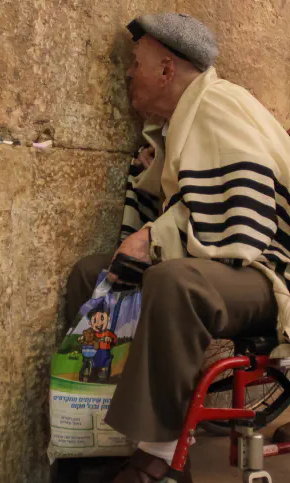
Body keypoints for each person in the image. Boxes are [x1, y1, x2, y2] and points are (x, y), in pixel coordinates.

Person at [65, 12, 290, 482]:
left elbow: (244, 226)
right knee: (93, 274)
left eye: (137, 63)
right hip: (219, 265)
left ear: (167, 69)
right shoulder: (173, 127)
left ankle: (159, 458)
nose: (129, 73)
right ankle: (94, 444)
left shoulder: (221, 105)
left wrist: (154, 237)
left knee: (175, 282)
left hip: (267, 275)